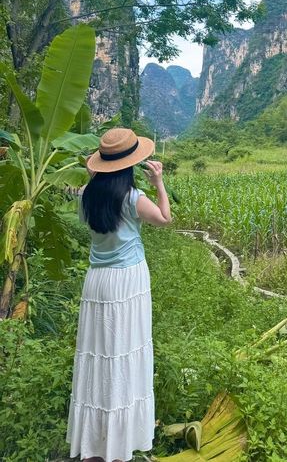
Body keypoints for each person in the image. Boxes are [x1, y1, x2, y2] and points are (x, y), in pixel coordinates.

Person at [66, 127, 172, 462]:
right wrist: (157, 182)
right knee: (125, 351)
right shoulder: (132, 198)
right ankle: (120, 441)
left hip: (97, 281)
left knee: (98, 353)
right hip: (128, 281)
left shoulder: (88, 195)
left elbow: (89, 185)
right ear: (131, 164)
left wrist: (92, 177)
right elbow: (165, 219)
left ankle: (95, 442)